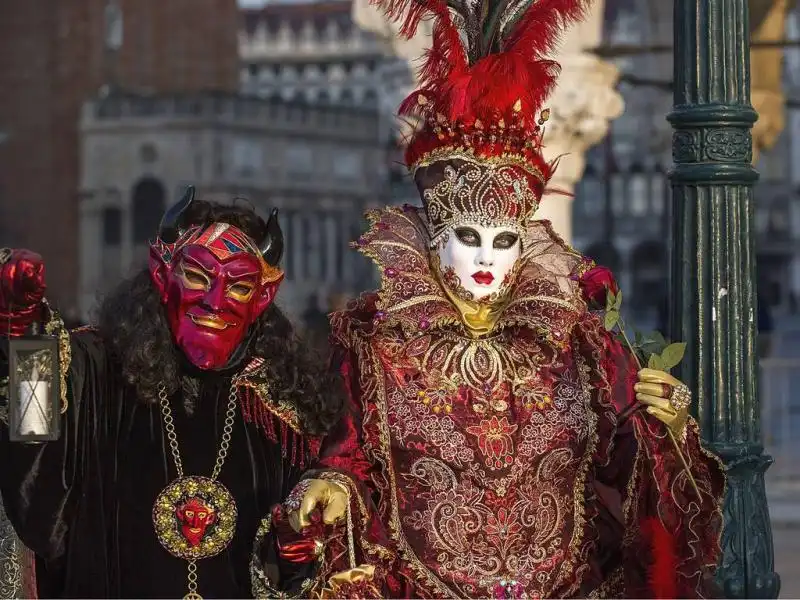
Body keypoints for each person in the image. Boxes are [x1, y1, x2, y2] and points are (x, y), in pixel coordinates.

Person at [256, 0, 728, 596]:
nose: (485, 258)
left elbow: (622, 474)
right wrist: (328, 483)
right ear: (431, 239)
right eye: (468, 238)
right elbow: (354, 458)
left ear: (526, 242)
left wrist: (668, 428)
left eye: (503, 240)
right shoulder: (378, 345)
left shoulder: (581, 346)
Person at [0, 187, 342, 598]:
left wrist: (295, 556)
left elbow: (308, 563)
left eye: (238, 287)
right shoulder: (100, 371)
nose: (216, 302)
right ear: (162, 275)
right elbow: (32, 452)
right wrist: (25, 335)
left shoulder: (284, 410)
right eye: (197, 277)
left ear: (263, 298)